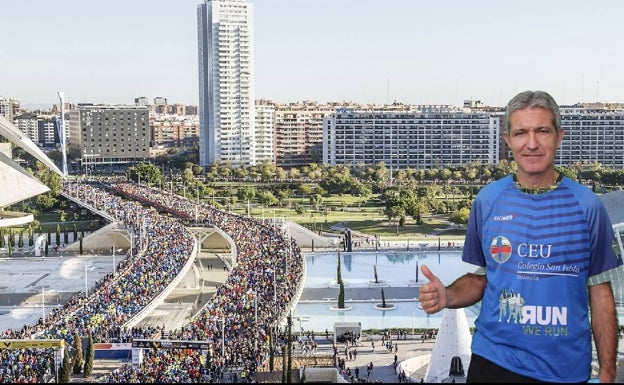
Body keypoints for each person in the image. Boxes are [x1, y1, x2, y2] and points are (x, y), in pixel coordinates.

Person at [418, 90, 622, 383]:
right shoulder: (488, 201)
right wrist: (448, 295)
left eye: (542, 131)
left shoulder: (586, 205)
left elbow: (601, 293)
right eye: (521, 132)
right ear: (507, 140)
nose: (532, 143)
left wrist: (607, 371)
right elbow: (482, 278)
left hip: (563, 369)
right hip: (493, 361)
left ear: (559, 136)